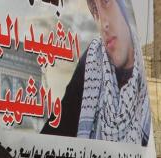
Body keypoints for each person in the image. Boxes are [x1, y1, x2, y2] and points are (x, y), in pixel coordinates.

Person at [43, 0, 151, 146]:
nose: (103, 24)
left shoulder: (150, 81)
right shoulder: (92, 62)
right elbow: (53, 135)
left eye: (106, 2)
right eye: (95, 12)